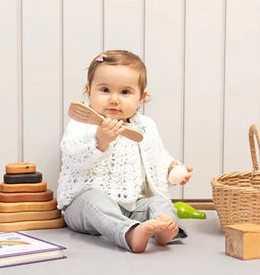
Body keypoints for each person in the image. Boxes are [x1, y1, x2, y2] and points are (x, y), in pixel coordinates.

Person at [57, 50, 192, 253]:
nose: (114, 99)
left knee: (158, 203)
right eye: (105, 90)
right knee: (93, 200)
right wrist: (100, 141)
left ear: (141, 98)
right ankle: (128, 233)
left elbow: (156, 157)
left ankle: (165, 228)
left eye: (125, 92)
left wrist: (171, 168)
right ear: (89, 91)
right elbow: (72, 154)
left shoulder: (145, 126)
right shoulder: (83, 122)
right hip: (84, 207)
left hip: (131, 206)